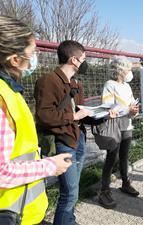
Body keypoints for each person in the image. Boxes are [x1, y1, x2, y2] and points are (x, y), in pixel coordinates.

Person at [0, 16, 72, 225]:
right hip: (11, 214)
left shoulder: (10, 91)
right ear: (14, 59)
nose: (34, 60)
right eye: (32, 54)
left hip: (21, 210)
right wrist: (49, 166)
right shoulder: (3, 99)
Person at [34, 40, 91, 225]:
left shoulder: (76, 84)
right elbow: (44, 115)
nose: (85, 62)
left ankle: (69, 221)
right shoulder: (48, 81)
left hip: (78, 140)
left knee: (73, 191)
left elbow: (81, 114)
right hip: (63, 141)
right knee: (69, 193)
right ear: (74, 60)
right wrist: (74, 117)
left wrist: (104, 114)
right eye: (83, 58)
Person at [97, 56, 140, 209]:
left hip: (127, 125)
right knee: (111, 158)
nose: (130, 72)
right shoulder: (109, 85)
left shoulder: (127, 87)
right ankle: (104, 190)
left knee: (124, 157)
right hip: (114, 127)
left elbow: (131, 103)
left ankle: (125, 183)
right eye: (128, 69)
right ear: (120, 70)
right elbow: (107, 107)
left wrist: (134, 110)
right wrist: (126, 110)